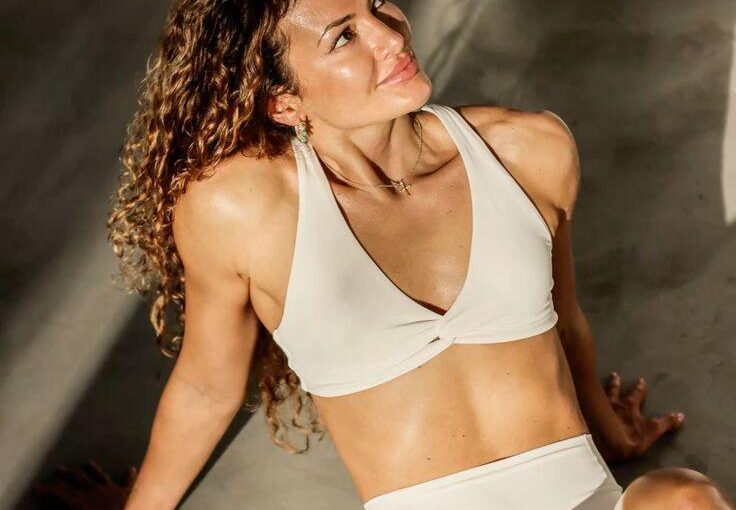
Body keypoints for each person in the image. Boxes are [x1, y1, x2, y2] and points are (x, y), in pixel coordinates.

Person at [106, 0, 736, 509]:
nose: (389, 35)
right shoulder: (242, 207)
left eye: (378, 4)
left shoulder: (526, 150)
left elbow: (563, 320)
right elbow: (206, 388)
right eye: (343, 37)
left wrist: (614, 433)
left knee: (683, 496)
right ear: (283, 101)